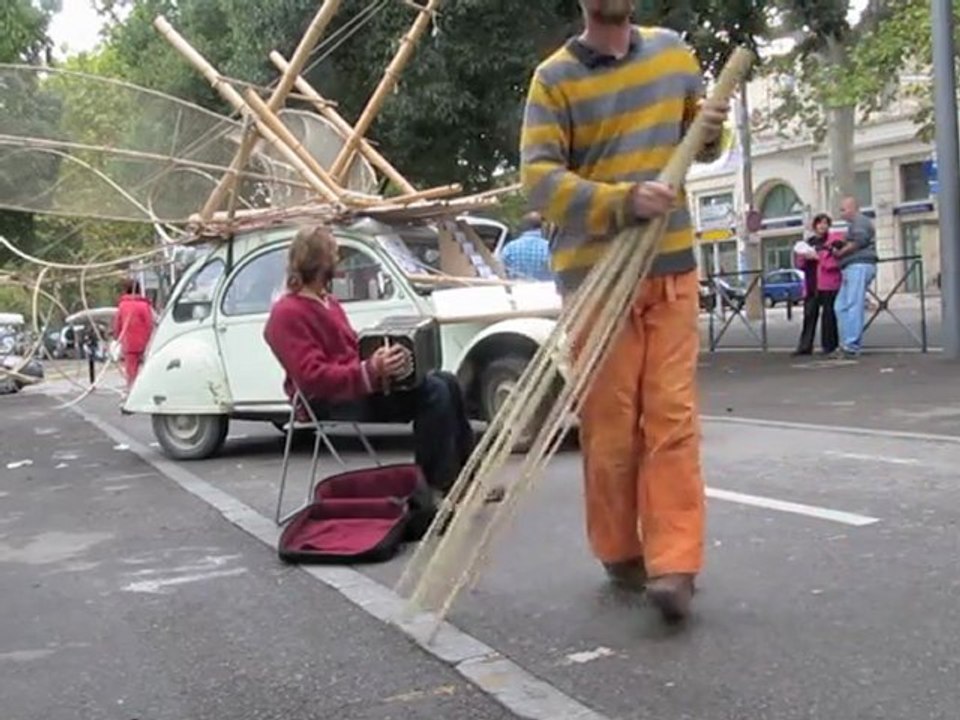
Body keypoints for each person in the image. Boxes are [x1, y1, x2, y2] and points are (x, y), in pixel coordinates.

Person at [520, 0, 729, 622]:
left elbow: (705, 144)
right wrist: (623, 202)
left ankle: (675, 564)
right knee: (611, 429)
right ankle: (618, 549)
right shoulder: (553, 79)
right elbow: (538, 182)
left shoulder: (675, 54)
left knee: (672, 418)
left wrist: (714, 130)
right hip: (597, 280)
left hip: (671, 268)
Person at [263, 225, 474, 496]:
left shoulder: (327, 301)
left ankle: (463, 477)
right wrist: (371, 370)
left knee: (446, 380)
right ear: (320, 262)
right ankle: (433, 489)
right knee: (433, 392)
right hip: (327, 401)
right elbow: (312, 378)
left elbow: (350, 352)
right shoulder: (287, 313)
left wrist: (383, 361)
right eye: (335, 254)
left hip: (354, 387)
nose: (339, 260)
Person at [833, 197, 878, 358]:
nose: (841, 213)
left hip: (859, 264)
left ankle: (852, 345)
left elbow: (859, 241)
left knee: (853, 303)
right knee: (840, 306)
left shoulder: (860, 221)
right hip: (850, 267)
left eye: (843, 210)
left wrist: (840, 252)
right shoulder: (853, 225)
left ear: (852, 208)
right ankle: (847, 342)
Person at [793, 214, 839, 356]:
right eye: (819, 223)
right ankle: (805, 346)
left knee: (829, 315)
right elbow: (799, 265)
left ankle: (829, 346)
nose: (822, 226)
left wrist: (818, 257)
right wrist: (803, 257)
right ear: (815, 226)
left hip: (828, 283)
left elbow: (835, 261)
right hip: (812, 283)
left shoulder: (833, 241)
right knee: (809, 315)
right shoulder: (809, 242)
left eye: (825, 223)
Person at [112, 279, 154, 388]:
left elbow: (118, 324)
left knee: (131, 371)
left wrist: (117, 337)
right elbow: (150, 324)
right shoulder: (144, 305)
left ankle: (131, 389)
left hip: (128, 343)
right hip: (144, 343)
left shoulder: (122, 306)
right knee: (147, 368)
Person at [499, 212, 553, 281]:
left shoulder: (509, 248)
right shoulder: (550, 248)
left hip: (516, 289)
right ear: (543, 227)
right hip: (544, 290)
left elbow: (501, 271)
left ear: (524, 227)